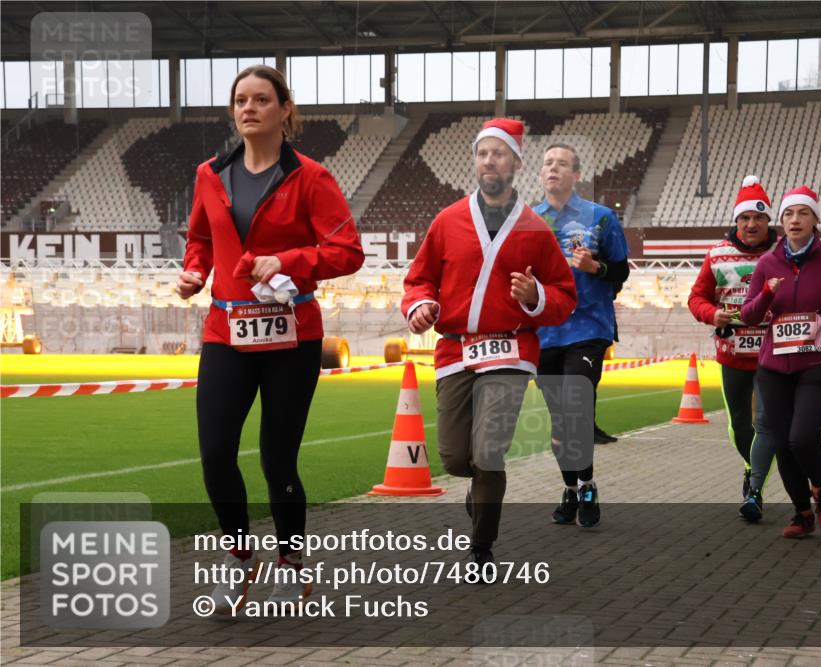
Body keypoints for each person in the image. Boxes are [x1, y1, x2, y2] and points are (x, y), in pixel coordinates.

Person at [177, 65, 365, 607]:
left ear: (285, 109)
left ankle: (290, 557)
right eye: (240, 100)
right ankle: (239, 557)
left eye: (262, 99)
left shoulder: (311, 177)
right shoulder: (209, 174)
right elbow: (199, 239)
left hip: (292, 334)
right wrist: (195, 271)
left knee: (277, 458)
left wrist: (288, 259)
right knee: (215, 453)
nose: (249, 108)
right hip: (225, 329)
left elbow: (347, 252)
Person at [402, 118, 576, 573]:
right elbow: (419, 279)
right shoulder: (448, 221)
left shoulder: (536, 227)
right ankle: (480, 488)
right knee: (458, 457)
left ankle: (481, 548)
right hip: (456, 350)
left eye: (499, 153)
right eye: (482, 153)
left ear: (516, 163)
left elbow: (564, 295)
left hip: (511, 350)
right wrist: (421, 305)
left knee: (488, 452)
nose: (489, 161)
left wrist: (536, 297)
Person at [741, 185, 821, 539]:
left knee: (802, 439)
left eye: (803, 213)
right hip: (773, 367)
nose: (794, 220)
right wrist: (767, 292)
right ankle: (802, 512)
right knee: (781, 443)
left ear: (815, 220)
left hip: (817, 363)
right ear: (780, 223)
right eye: (788, 214)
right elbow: (749, 315)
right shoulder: (767, 262)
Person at [533, 142, 630, 529]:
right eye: (548, 163)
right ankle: (570, 487)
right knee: (560, 424)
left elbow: (621, 272)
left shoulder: (601, 218)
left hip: (589, 328)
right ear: (540, 174)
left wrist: (596, 267)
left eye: (563, 164)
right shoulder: (527, 221)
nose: (554, 169)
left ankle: (587, 485)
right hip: (544, 334)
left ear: (576, 175)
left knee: (575, 407)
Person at [688, 175, 777, 523]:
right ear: (736, 221)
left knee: (765, 421)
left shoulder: (783, 252)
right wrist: (713, 314)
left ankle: (754, 489)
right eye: (745, 218)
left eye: (758, 218)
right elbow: (696, 298)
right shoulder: (716, 254)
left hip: (774, 355)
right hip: (732, 353)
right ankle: (749, 465)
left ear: (768, 221)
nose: (751, 224)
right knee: (740, 423)